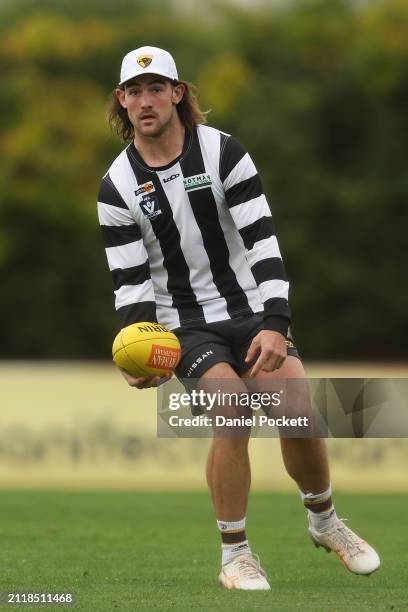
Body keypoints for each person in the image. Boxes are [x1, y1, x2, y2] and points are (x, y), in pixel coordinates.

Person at [97, 45, 380, 590]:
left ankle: (325, 521)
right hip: (182, 325)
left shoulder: (223, 152)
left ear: (178, 94)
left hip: (251, 309)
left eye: (156, 88)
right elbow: (129, 282)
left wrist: (276, 320)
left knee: (297, 407)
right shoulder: (116, 186)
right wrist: (133, 348)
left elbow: (262, 239)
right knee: (232, 411)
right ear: (122, 102)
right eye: (134, 91)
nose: (145, 100)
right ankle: (236, 556)